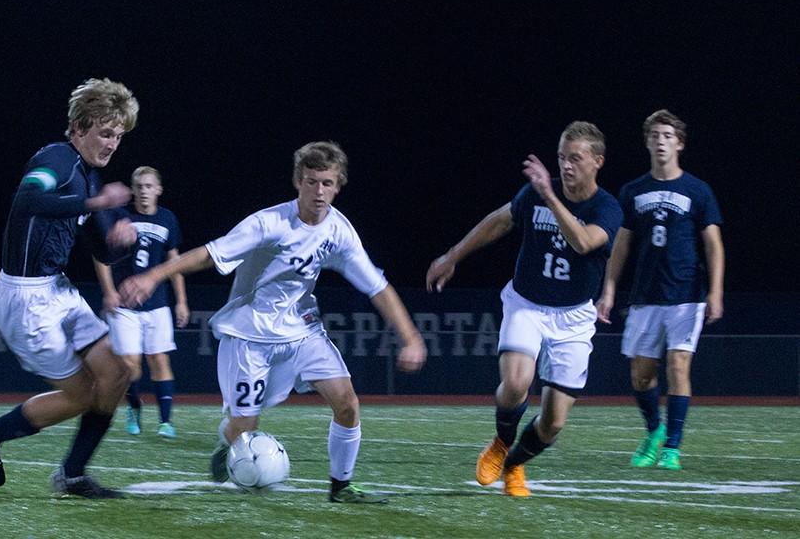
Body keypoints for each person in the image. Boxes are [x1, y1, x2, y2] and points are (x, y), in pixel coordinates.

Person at [119, 141, 427, 503]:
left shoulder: (340, 232)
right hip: (249, 337)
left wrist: (410, 337)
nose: (319, 191)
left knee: (347, 402)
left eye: (327, 183)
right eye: (311, 181)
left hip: (303, 333)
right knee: (244, 427)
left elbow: (377, 287)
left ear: (338, 185)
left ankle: (341, 487)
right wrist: (154, 276)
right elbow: (209, 255)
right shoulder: (269, 223)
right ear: (298, 181)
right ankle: (227, 442)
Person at [0, 78, 140, 498]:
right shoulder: (57, 159)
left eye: (117, 135)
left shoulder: (90, 177)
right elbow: (26, 199)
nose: (112, 143)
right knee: (81, 394)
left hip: (57, 291)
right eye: (104, 132)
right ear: (78, 128)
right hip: (25, 298)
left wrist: (121, 240)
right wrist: (97, 206)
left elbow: (102, 249)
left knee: (116, 372)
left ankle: (72, 476)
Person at [427, 121, 622, 497]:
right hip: (527, 304)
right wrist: (453, 256)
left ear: (598, 161)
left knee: (553, 423)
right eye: (562, 157)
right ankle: (501, 443)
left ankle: (515, 463)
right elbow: (500, 221)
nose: (566, 165)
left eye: (576, 159)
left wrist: (549, 196)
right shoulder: (536, 194)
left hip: (574, 317)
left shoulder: (606, 207)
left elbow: (583, 243)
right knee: (516, 383)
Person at [597, 109, 724, 471]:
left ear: (680, 143)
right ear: (647, 142)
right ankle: (654, 430)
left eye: (668, 135)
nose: (661, 141)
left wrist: (715, 291)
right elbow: (620, 245)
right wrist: (608, 289)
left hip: (687, 294)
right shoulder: (633, 191)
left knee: (678, 365)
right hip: (645, 295)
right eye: (655, 135)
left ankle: (672, 446)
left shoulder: (698, 190)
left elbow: (713, 244)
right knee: (641, 373)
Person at [93, 166, 190, 439]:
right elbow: (101, 256)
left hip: (157, 303)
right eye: (139, 186)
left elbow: (175, 262)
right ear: (133, 190)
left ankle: (165, 422)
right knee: (130, 365)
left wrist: (181, 301)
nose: (144, 191)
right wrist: (109, 291)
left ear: (158, 190)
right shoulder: (120, 217)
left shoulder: (167, 219)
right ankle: (134, 407)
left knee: (159, 359)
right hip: (124, 306)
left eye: (149, 186)